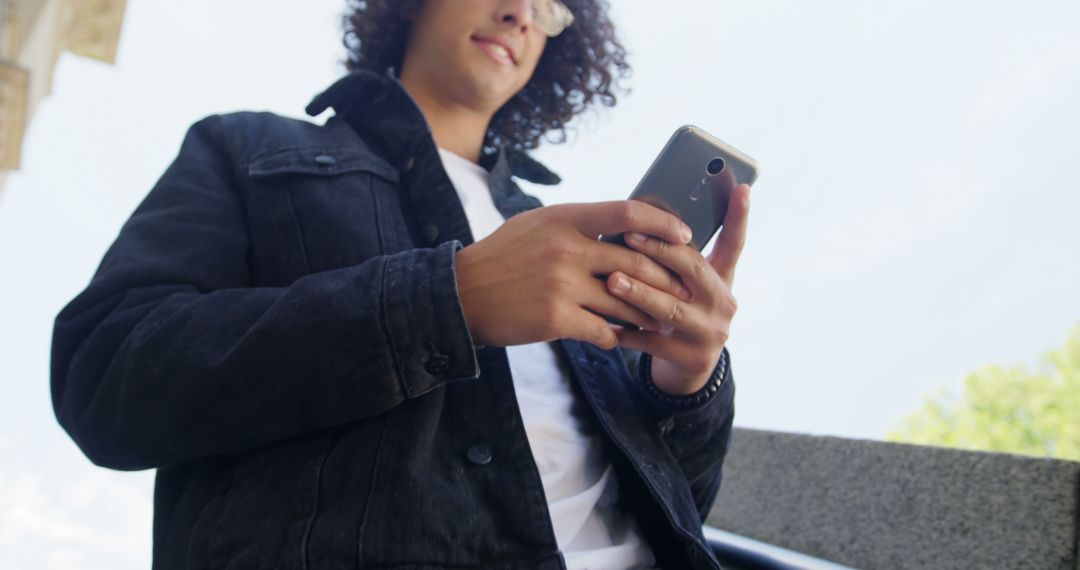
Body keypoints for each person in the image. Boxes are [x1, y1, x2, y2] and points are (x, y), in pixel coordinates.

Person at [50, 0, 750, 568]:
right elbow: (104, 375)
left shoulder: (561, 236)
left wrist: (688, 384)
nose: (521, 14)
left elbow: (681, 503)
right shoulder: (248, 148)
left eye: (549, 9)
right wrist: (451, 299)